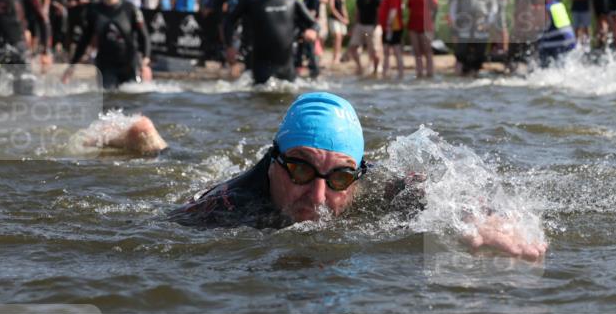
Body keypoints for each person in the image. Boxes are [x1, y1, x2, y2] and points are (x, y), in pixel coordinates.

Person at [168, 92, 546, 258]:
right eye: (300, 169)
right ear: (273, 161)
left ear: (357, 176)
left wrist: (484, 217)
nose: (317, 198)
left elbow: (450, 191)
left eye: (339, 180)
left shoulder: (376, 183)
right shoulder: (226, 204)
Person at [223, 0, 319, 84]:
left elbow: (314, 23)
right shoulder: (252, 0)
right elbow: (229, 21)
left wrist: (312, 31)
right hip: (260, 66)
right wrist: (230, 46)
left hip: (287, 67)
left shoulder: (291, 0)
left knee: (288, 97)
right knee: (260, 98)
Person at [63, 0, 153, 89]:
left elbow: (144, 36)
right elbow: (85, 39)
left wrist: (146, 62)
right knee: (108, 101)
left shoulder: (130, 9)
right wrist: (72, 66)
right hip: (105, 65)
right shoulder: (94, 10)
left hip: (129, 64)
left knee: (133, 100)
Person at [449, 0, 497, 76]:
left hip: (481, 25)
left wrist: (488, 23)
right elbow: (454, 5)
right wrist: (454, 20)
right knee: (461, 53)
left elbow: (493, 7)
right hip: (465, 24)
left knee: (479, 53)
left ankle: (474, 75)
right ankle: (460, 77)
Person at [532, 0, 576, 66]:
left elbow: (536, 26)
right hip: (569, 42)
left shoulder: (544, 9)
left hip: (556, 44)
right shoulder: (559, 5)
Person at [406, 0, 438, 79]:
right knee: (417, 50)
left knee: (427, 50)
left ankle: (430, 73)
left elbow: (435, 8)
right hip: (413, 24)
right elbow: (409, 7)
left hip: (426, 26)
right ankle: (419, 74)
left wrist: (431, 23)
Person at [348, 0, 382, 76]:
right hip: (360, 25)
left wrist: (379, 24)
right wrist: (354, 25)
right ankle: (360, 67)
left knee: (374, 51)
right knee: (353, 47)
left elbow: (381, 8)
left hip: (373, 26)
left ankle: (375, 70)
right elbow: (358, 12)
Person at [378, 0, 405, 80]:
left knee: (396, 50)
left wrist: (389, 24)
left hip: (394, 27)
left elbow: (393, 10)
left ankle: (400, 74)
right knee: (386, 51)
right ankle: (386, 73)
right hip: (388, 27)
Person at [327, 0, 349, 66]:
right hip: (334, 19)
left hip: (342, 19)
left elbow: (343, 8)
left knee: (340, 39)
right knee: (337, 37)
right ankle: (335, 57)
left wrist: (346, 18)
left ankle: (338, 56)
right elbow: (332, 9)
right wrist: (341, 18)